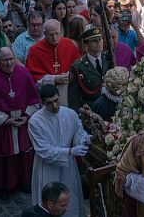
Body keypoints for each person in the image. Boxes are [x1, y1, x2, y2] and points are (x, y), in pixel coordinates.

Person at [0, 47, 39, 194]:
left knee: (24, 154)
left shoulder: (24, 73)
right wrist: (7, 121)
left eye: (11, 59)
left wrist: (26, 116)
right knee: (3, 156)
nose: (9, 63)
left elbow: (34, 99)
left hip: (22, 123)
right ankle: (4, 186)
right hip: (3, 126)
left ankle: (25, 182)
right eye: (5, 60)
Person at [28, 84, 90, 217]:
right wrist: (70, 151)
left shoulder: (70, 114)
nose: (54, 106)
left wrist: (85, 140)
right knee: (51, 204)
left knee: (70, 202)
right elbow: (44, 151)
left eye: (56, 100)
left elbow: (79, 134)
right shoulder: (35, 121)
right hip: (47, 168)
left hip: (68, 166)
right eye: (49, 103)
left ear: (60, 96)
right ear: (42, 103)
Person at [26, 19, 81, 105]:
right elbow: (32, 77)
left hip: (68, 91)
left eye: (57, 33)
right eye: (51, 35)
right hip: (47, 96)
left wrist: (69, 75)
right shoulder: (35, 50)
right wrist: (54, 79)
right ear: (44, 34)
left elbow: (78, 66)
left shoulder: (69, 44)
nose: (55, 38)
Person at [67, 25, 111, 110]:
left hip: (108, 107)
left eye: (100, 39)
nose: (99, 42)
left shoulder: (109, 59)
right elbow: (73, 96)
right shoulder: (78, 66)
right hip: (90, 109)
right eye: (94, 41)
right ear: (87, 45)